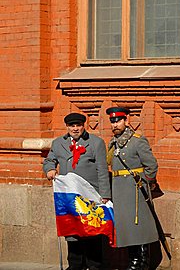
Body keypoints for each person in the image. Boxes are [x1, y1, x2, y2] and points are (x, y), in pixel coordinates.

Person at [43, 112, 111, 270]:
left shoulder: (96, 143)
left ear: (84, 126)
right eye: (72, 126)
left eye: (78, 125)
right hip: (69, 196)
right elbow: (49, 160)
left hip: (90, 195)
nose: (75, 129)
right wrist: (50, 169)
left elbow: (102, 170)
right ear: (67, 127)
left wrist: (105, 195)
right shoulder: (58, 143)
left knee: (92, 231)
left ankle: (94, 266)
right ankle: (75, 265)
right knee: (72, 232)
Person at [106, 107, 159, 270]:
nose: (115, 124)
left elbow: (151, 165)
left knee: (139, 225)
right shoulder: (113, 142)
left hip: (135, 189)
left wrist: (146, 183)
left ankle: (141, 262)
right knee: (127, 226)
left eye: (118, 120)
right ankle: (133, 259)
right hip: (120, 191)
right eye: (112, 121)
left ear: (126, 120)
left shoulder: (137, 140)